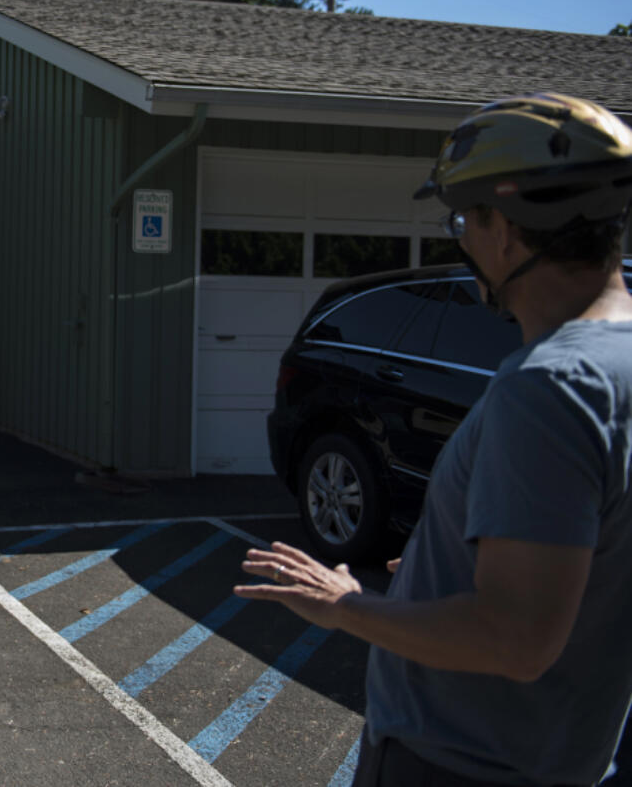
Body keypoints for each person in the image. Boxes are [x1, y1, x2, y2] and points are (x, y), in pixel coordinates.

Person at [235, 92, 632, 787]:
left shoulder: (550, 388)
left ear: (503, 228)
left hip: (460, 764)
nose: (462, 241)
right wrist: (438, 568)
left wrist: (344, 605)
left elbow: (516, 639)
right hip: (568, 758)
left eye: (462, 219)